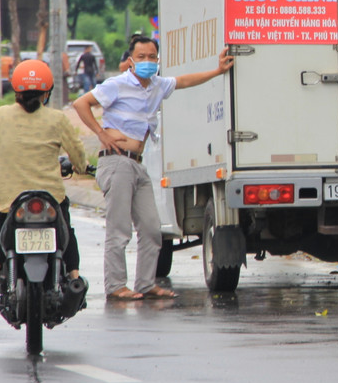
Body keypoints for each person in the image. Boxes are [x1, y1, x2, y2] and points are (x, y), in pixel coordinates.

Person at [73, 35, 233, 301]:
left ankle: (146, 284)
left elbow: (184, 81)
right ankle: (116, 286)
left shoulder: (158, 85)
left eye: (151, 57)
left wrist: (217, 71)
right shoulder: (118, 84)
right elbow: (81, 104)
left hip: (137, 164)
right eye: (141, 57)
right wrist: (101, 133)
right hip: (117, 162)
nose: (147, 61)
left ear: (158, 60)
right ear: (131, 61)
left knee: (151, 228)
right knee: (119, 230)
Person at [0, 60, 90, 309]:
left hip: (10, 199)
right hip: (50, 199)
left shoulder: (0, 116)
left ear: (16, 90)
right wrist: (81, 167)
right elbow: (77, 153)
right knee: (66, 233)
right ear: (46, 92)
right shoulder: (57, 119)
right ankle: (75, 279)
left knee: (1, 233)